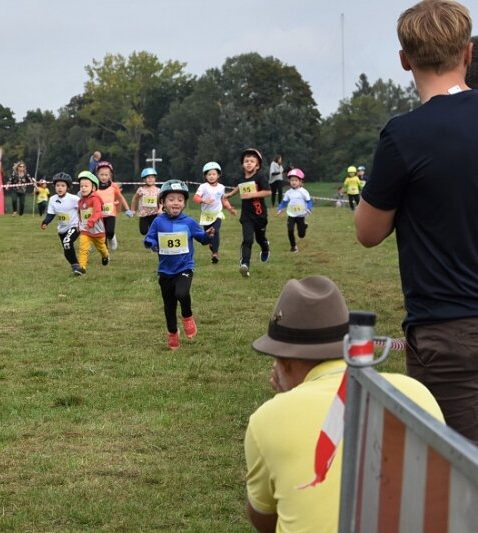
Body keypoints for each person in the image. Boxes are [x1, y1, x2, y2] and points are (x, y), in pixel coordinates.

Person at [355, 0, 478, 444]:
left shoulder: (403, 135)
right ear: (467, 51)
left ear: (404, 59)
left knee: (457, 475)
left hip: (447, 330)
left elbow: (368, 233)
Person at [245, 275, 443, 533]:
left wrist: (286, 399)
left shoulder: (267, 419)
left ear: (285, 361)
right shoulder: (416, 393)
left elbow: (264, 518)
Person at [144, 180, 214, 350]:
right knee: (169, 306)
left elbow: (201, 239)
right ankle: (173, 334)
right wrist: (151, 243)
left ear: (184, 203)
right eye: (171, 199)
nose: (176, 203)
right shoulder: (158, 222)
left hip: (184, 267)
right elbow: (150, 237)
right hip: (165, 271)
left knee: (182, 293)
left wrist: (208, 235)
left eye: (180, 200)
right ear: (163, 203)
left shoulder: (189, 222)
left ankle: (188, 316)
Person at [225, 148, 271, 278]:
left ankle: (265, 247)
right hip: (246, 216)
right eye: (246, 161)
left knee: (260, 238)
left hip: (260, 215)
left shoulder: (260, 177)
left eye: (252, 161)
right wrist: (230, 194)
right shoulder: (241, 178)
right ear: (242, 164)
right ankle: (245, 264)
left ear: (257, 165)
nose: (249, 163)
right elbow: (240, 186)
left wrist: (252, 194)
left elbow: (268, 192)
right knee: (248, 239)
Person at [193, 161, 237, 264]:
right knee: (209, 237)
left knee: (215, 231)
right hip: (206, 215)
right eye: (209, 174)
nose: (212, 176)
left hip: (217, 213)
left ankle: (215, 254)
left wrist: (230, 208)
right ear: (205, 176)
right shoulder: (203, 187)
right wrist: (203, 200)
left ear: (218, 175)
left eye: (214, 174)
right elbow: (195, 198)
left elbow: (223, 199)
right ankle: (211, 245)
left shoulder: (221, 187)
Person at [40, 173, 81, 275]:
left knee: (67, 242)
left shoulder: (74, 199)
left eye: (63, 186)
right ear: (54, 186)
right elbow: (51, 214)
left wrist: (83, 222)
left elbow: (83, 208)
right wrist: (46, 222)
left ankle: (77, 267)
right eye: (58, 185)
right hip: (62, 229)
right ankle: (74, 265)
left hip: (74, 226)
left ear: (67, 187)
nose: (60, 188)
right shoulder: (53, 199)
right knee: (66, 248)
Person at [94, 161, 133, 252]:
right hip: (98, 215)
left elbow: (121, 197)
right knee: (102, 235)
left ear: (110, 175)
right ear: (97, 175)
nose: (104, 177)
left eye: (106, 175)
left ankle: (112, 237)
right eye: (101, 174)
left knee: (110, 232)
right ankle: (105, 253)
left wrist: (127, 209)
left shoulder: (113, 186)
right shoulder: (94, 186)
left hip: (111, 214)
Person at [76, 171, 109, 274]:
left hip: (97, 229)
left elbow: (98, 212)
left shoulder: (95, 199)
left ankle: (105, 256)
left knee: (101, 248)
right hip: (85, 230)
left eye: (86, 186)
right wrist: (79, 225)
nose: (83, 188)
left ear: (93, 188)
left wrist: (92, 221)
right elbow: (80, 215)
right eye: (81, 186)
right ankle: (82, 268)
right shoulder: (80, 201)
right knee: (83, 248)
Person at [276, 168, 312, 253]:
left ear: (300, 181)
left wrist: (309, 208)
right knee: (290, 230)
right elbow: (284, 202)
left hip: (301, 215)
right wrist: (280, 208)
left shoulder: (303, 192)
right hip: (291, 215)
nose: (293, 182)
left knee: (301, 235)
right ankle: (293, 246)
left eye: (296, 180)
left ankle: (304, 226)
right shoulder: (288, 192)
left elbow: (309, 201)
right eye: (292, 180)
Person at [130, 167, 161, 236]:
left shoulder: (158, 190)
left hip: (154, 214)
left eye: (152, 177)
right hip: (143, 214)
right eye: (148, 177)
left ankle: (152, 241)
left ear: (155, 178)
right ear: (144, 179)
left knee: (154, 231)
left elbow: (160, 201)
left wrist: (160, 209)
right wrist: (132, 210)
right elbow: (135, 199)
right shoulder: (141, 190)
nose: (150, 179)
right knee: (143, 231)